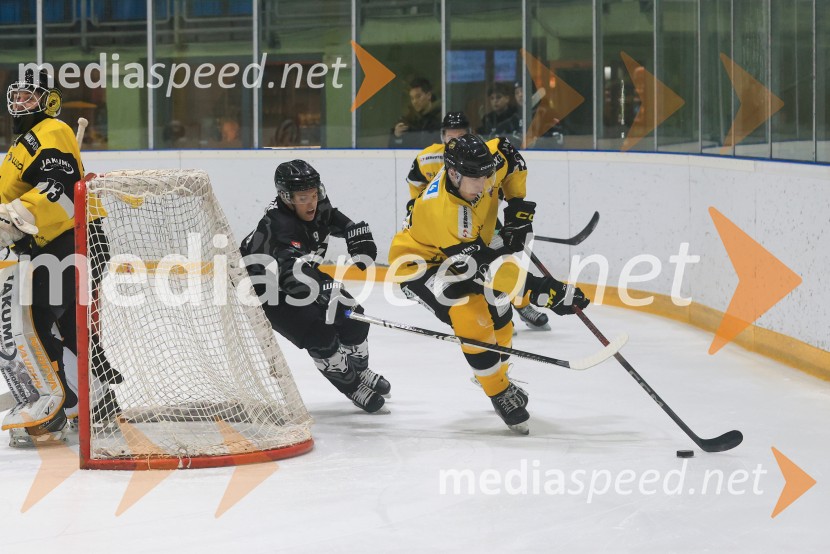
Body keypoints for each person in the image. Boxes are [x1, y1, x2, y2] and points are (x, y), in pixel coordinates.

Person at [388, 134, 590, 434]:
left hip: (471, 247)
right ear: (454, 174)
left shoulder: (483, 165)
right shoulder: (442, 212)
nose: (484, 184)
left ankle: (497, 371)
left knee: (501, 309)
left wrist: (518, 207)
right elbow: (483, 268)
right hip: (420, 264)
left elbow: (510, 154)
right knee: (472, 314)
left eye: (487, 176)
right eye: (476, 179)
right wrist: (541, 289)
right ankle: (497, 391)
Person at [0, 68, 117, 445]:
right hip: (58, 242)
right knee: (58, 322)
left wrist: (17, 216)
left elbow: (59, 189)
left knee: (38, 320)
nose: (20, 103)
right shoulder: (23, 143)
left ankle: (57, 410)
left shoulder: (51, 131)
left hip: (75, 239)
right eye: (16, 96)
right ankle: (93, 402)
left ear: (49, 100)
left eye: (29, 96)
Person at [240, 160, 391, 413]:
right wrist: (322, 290)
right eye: (303, 198)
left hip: (300, 270)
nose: (311, 203)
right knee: (320, 333)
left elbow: (329, 216)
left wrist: (352, 229)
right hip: (263, 288)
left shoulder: (315, 202)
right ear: (286, 198)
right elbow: (290, 278)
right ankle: (352, 385)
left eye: (314, 194)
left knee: (354, 318)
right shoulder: (278, 226)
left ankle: (361, 370)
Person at [405, 112, 552, 332]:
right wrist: (414, 204)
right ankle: (495, 312)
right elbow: (415, 181)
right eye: (450, 134)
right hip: (448, 227)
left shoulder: (480, 155)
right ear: (442, 135)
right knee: (478, 265)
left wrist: (510, 207)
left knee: (502, 258)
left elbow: (502, 171)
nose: (454, 138)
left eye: (460, 134)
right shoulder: (427, 158)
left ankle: (521, 305)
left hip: (478, 220)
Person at [389, 77, 442, 148]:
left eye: (418, 96)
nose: (415, 101)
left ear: (428, 95)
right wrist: (397, 137)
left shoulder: (441, 118)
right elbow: (393, 149)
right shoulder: (407, 121)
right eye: (412, 98)